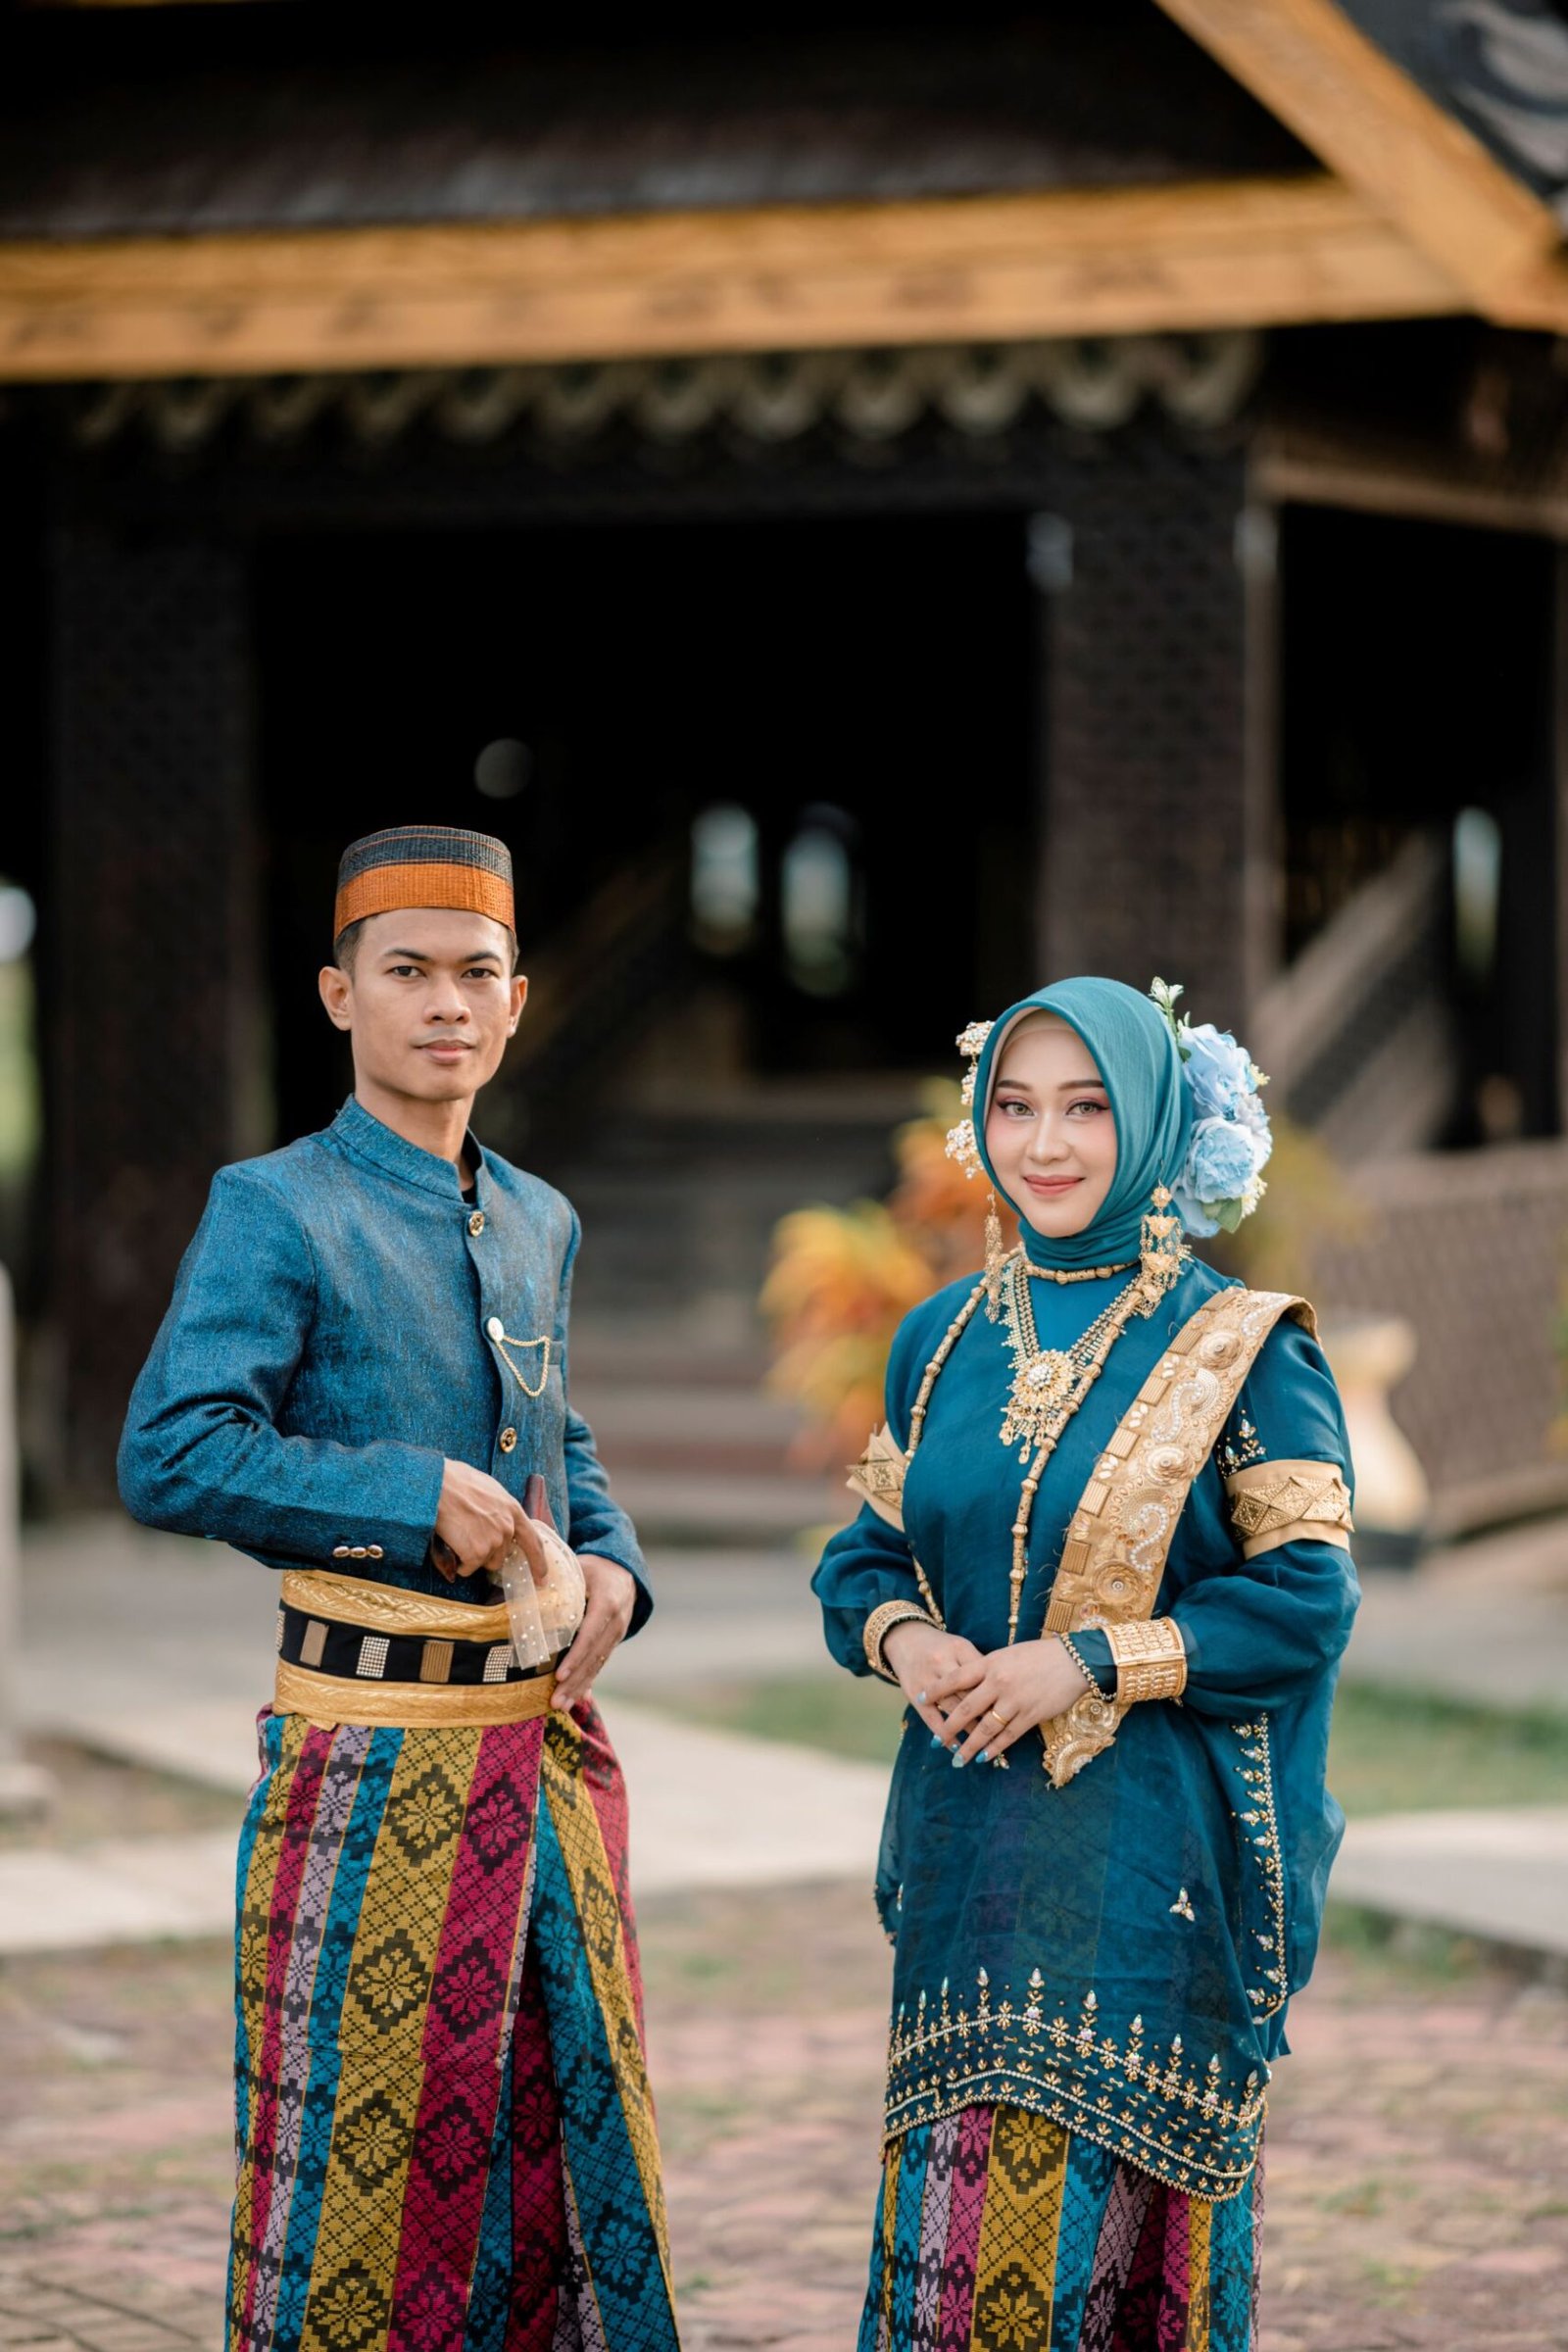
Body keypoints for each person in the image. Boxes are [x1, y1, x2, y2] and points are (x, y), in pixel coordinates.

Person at [119, 824, 679, 2352]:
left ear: (516, 1001)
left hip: (543, 1763)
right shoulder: (276, 1205)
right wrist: (403, 1491)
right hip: (366, 1768)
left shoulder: (540, 1217)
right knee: (357, 2187)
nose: (446, 1003)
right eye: (408, 971)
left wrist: (616, 1562)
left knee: (561, 2141)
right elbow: (171, 1450)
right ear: (338, 994)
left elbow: (555, 1432)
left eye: (477, 974)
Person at [813, 976, 1357, 2352]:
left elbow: (1307, 1599)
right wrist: (909, 1640)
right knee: (956, 2248)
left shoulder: (1246, 1348)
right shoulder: (939, 1341)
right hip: (968, 1860)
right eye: (1014, 1107)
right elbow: (864, 1559)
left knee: (1112, 2258)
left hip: (1148, 1873)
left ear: (1160, 1123)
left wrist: (1090, 1662)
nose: (1045, 1145)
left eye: (1087, 1109)